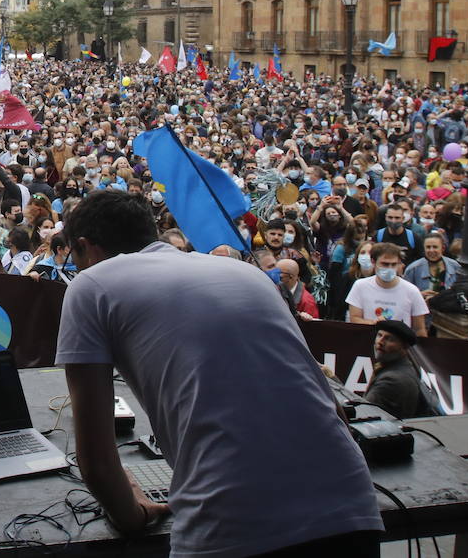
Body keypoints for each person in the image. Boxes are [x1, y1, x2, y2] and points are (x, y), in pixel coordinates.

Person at [56, 190, 382, 553]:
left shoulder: (90, 286)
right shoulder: (248, 273)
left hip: (229, 523)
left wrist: (132, 513)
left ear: (85, 246)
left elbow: (96, 457)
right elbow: (328, 402)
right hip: (350, 505)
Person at [346, 243, 428, 335]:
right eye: (385, 264)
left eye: (393, 264)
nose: (389, 268)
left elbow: (419, 329)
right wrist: (377, 324)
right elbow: (354, 319)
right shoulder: (360, 286)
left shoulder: (412, 291)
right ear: (373, 261)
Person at [363, 319, 428, 419]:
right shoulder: (401, 368)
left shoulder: (392, 380)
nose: (380, 342)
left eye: (389, 339)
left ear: (404, 346)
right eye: (380, 335)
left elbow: (362, 413)